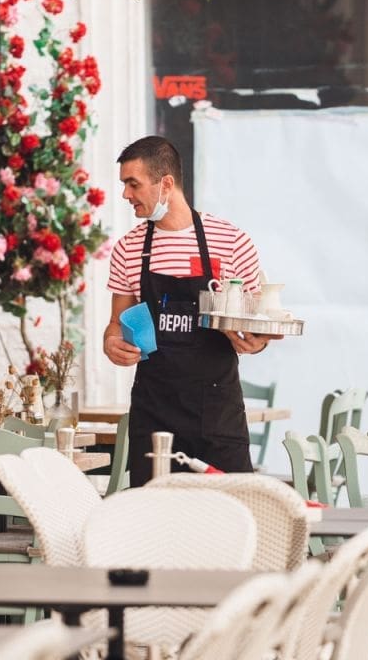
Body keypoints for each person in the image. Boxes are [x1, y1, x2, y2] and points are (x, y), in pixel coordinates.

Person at [103, 136, 275, 487]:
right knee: (155, 511)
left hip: (217, 412)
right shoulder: (128, 249)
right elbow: (115, 325)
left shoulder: (231, 241)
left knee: (231, 509)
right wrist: (112, 343)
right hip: (154, 413)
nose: (125, 195)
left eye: (133, 184)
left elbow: (261, 321)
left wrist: (259, 340)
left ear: (166, 184)